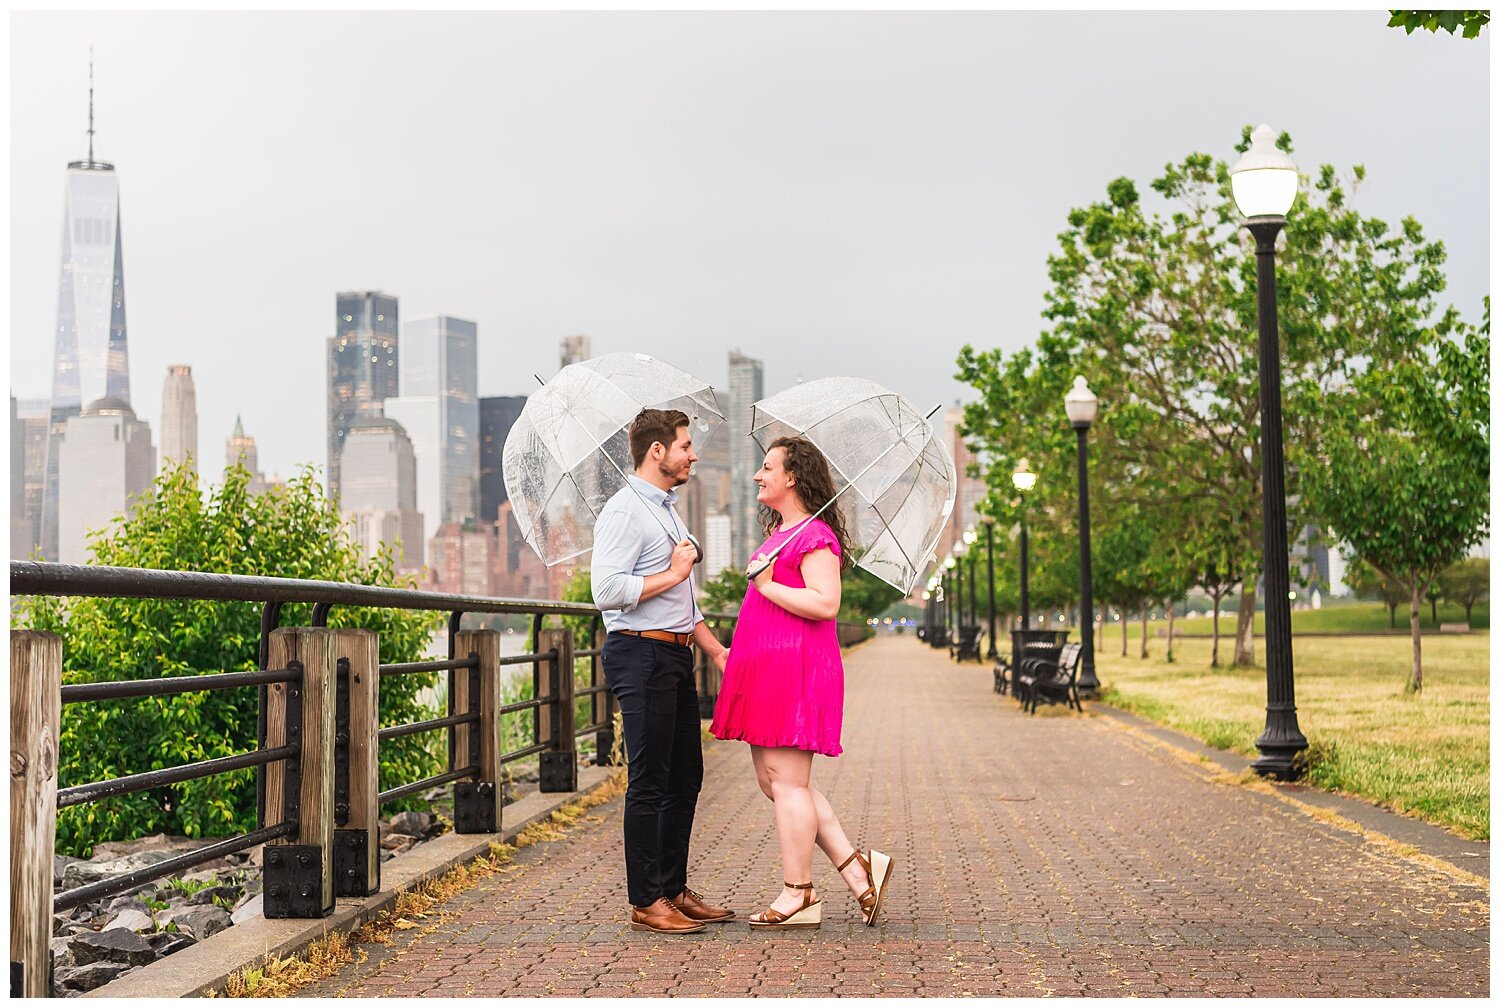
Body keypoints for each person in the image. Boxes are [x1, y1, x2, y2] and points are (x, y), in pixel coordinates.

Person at [709, 436, 895, 930]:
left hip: (797, 671)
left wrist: (769, 585)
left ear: (793, 477)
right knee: (775, 783)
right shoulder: (781, 535)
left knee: (789, 783)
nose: (757, 475)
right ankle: (859, 874)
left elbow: (826, 603)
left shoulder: (815, 538)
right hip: (766, 670)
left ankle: (799, 893)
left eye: (767, 467)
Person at [591, 407, 734, 935]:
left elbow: (682, 604)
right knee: (649, 781)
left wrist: (717, 651)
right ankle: (645, 899)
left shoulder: (668, 510)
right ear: (658, 452)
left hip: (676, 653)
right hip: (640, 653)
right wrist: (672, 572)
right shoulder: (625, 511)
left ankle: (673, 889)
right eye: (685, 445)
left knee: (687, 775)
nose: (693, 454)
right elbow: (606, 592)